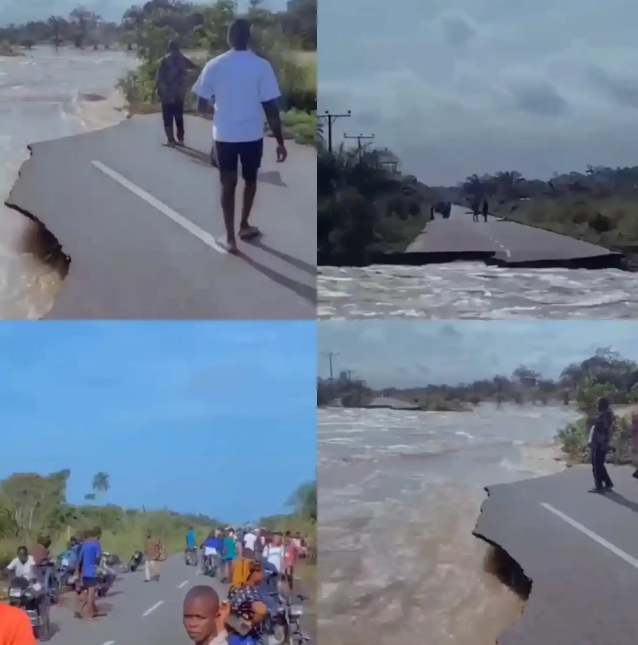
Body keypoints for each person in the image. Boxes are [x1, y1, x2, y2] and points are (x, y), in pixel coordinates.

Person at [191, 18, 288, 255]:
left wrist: (217, 111)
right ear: (249, 38)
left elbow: (200, 105)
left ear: (229, 38)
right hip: (252, 135)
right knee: (251, 179)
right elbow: (271, 108)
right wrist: (280, 141)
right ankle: (244, 225)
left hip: (225, 136)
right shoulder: (261, 66)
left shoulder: (214, 65)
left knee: (228, 183)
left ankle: (231, 238)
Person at [156, 40, 197, 147]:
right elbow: (194, 68)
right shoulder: (183, 59)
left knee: (167, 117)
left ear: (169, 48)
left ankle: (171, 140)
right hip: (179, 93)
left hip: (168, 93)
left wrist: (160, 93)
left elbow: (160, 78)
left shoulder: (164, 60)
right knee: (178, 116)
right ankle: (181, 140)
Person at [227, 560, 267, 642]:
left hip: (234, 634)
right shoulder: (251, 593)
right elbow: (261, 611)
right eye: (262, 573)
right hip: (250, 637)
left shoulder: (238, 589)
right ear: (255, 573)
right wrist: (251, 623)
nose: (262, 576)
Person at [588, 396, 615, 493]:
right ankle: (608, 483)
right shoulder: (606, 414)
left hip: (600, 444)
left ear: (601, 405)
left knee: (597, 466)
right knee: (599, 464)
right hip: (602, 443)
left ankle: (599, 486)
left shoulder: (604, 416)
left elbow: (600, 431)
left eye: (598, 404)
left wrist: (597, 443)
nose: (597, 405)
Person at [74, 527, 102, 619]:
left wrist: (77, 571)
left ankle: (93, 610)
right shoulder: (96, 544)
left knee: (86, 590)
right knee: (91, 594)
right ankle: (89, 614)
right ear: (98, 535)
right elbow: (98, 557)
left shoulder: (84, 544)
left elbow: (79, 558)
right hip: (92, 571)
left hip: (84, 571)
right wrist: (97, 564)